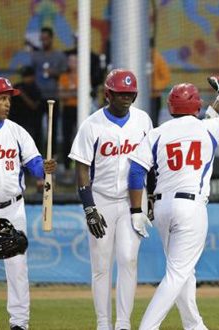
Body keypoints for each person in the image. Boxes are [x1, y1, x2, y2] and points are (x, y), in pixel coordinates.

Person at [128, 78, 219, 330]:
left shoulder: (157, 133)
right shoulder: (208, 129)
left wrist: (136, 210)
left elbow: (136, 171)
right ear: (197, 107)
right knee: (178, 273)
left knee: (182, 272)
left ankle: (194, 325)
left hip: (162, 207)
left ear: (170, 107)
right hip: (191, 206)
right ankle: (147, 327)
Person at [68, 69, 152, 330]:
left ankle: (123, 323)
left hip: (133, 201)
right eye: (120, 94)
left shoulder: (143, 120)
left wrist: (153, 200)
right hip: (102, 199)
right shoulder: (91, 124)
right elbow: (81, 167)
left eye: (129, 93)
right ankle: (103, 323)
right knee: (101, 265)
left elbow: (152, 161)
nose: (125, 98)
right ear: (108, 94)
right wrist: (89, 206)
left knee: (128, 259)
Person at [0, 77, 57, 330]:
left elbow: (35, 165)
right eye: (2, 98)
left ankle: (19, 323)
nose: (8, 103)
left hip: (13, 207)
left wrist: (45, 168)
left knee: (18, 268)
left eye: (9, 98)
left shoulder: (17, 131)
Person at [31, 27, 67, 155]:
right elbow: (31, 74)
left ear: (51, 39)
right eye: (42, 39)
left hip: (54, 96)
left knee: (53, 127)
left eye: (46, 38)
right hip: (38, 96)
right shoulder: (36, 56)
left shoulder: (60, 56)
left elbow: (65, 73)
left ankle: (53, 155)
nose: (44, 41)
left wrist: (55, 73)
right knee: (37, 127)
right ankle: (35, 155)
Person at [9, 66, 43, 149]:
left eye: (27, 76)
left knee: (29, 145)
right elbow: (9, 100)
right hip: (16, 120)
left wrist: (22, 94)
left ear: (32, 77)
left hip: (30, 122)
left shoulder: (36, 89)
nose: (25, 78)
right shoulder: (17, 86)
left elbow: (34, 106)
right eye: (24, 76)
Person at [59, 52, 78, 169]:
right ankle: (67, 165)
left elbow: (84, 93)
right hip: (67, 109)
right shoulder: (63, 77)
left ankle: (79, 163)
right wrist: (75, 92)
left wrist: (69, 93)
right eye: (70, 61)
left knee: (80, 136)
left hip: (80, 109)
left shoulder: (83, 75)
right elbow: (61, 94)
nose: (72, 63)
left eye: (74, 61)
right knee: (67, 137)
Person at [149, 38, 171, 126]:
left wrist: (155, 88)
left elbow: (166, 76)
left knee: (153, 122)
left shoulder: (157, 58)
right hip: (141, 96)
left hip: (154, 97)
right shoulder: (139, 58)